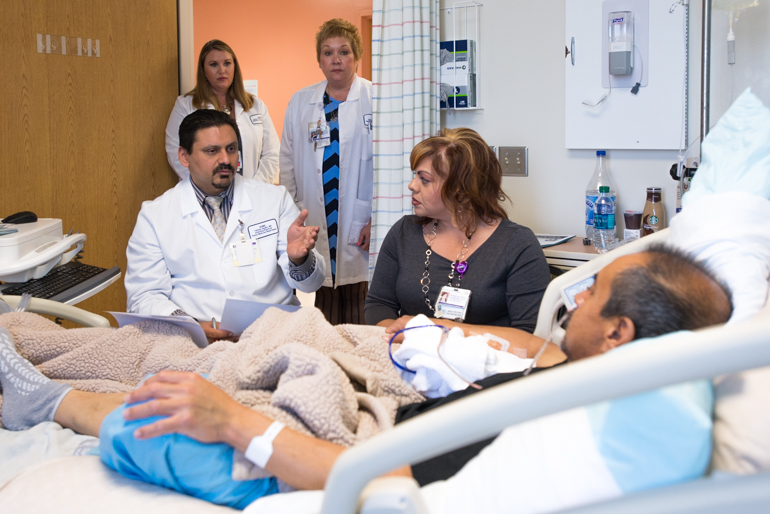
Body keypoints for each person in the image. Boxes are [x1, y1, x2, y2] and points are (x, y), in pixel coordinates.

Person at [0, 245, 733, 509]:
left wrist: (235, 425)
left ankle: (53, 402)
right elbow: (516, 346)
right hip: (383, 387)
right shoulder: (572, 375)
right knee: (196, 353)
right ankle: (45, 360)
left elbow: (380, 479)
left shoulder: (547, 421)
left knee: (155, 413)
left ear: (619, 334)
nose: (572, 297)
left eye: (592, 296)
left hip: (356, 443)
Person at [126, 110, 325, 343]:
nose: (225, 160)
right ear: (184, 156)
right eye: (212, 151)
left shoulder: (274, 199)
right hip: (193, 340)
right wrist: (191, 325)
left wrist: (299, 260)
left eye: (231, 149)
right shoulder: (155, 215)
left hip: (272, 334)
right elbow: (144, 296)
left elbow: (312, 283)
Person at [365, 128, 551, 341]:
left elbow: (529, 336)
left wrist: (435, 333)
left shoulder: (517, 245)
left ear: (461, 190)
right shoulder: (404, 232)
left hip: (486, 368)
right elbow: (379, 305)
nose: (412, 185)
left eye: (424, 179)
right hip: (409, 358)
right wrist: (409, 339)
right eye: (415, 175)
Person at [280, 19, 373, 325]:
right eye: (328, 52)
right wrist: (293, 211)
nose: (336, 59)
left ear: (356, 56)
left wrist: (375, 219)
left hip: (359, 213)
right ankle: (328, 358)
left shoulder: (375, 99)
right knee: (323, 286)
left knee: (360, 289)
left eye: (344, 52)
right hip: (317, 211)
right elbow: (288, 160)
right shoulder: (300, 102)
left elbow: (387, 166)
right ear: (319, 60)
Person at [166, 40, 280, 183]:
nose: (222, 70)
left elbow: (272, 153)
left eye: (227, 63)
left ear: (235, 67)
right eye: (214, 64)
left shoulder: (256, 106)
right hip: (206, 193)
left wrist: (255, 187)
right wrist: (206, 185)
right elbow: (175, 151)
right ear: (203, 70)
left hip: (253, 192)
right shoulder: (186, 105)